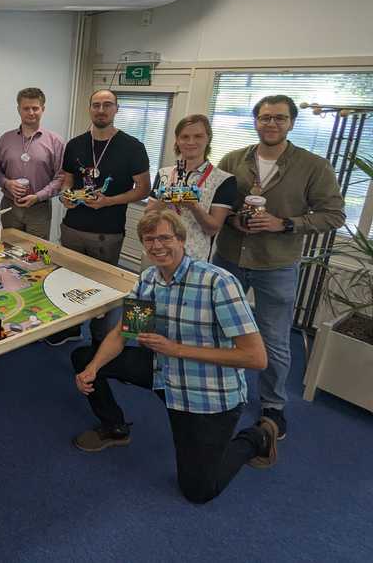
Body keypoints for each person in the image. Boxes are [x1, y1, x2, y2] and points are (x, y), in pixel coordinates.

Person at [70, 209, 279, 504]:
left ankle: (256, 438)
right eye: (149, 239)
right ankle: (115, 428)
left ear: (182, 239)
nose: (157, 246)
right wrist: (92, 368)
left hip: (206, 392)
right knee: (83, 357)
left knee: (199, 491)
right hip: (163, 372)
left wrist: (175, 349)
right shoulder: (150, 279)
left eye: (165, 238)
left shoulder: (217, 282)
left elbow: (256, 358)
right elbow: (124, 333)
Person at [213, 94, 345, 440]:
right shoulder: (232, 159)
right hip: (229, 258)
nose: (271, 123)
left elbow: (334, 215)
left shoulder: (313, 166)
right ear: (255, 120)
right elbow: (218, 203)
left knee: (273, 339)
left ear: (291, 123)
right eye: (265, 117)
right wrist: (232, 222)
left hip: (277, 265)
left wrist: (284, 224)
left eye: (279, 118)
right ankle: (218, 387)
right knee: (219, 327)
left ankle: (273, 405)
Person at [48, 89, 150, 346]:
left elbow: (144, 189)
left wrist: (109, 201)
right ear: (89, 109)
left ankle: (98, 338)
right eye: (96, 105)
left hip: (107, 231)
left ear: (117, 109)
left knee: (102, 289)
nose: (101, 110)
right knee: (67, 280)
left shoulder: (132, 147)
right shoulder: (75, 144)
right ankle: (70, 328)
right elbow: (68, 181)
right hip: (72, 227)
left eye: (107, 105)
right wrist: (65, 197)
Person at [146, 114, 236, 262]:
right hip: (159, 250)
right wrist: (164, 200)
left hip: (193, 258)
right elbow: (148, 215)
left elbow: (212, 228)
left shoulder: (223, 180)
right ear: (177, 140)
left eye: (198, 136)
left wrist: (194, 206)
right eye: (185, 137)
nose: (191, 142)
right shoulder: (164, 173)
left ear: (208, 139)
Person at [0, 87, 65, 240]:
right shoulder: (6, 139)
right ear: (18, 109)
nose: (31, 112)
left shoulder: (55, 141)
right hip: (9, 206)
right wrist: (6, 183)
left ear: (43, 109)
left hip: (39, 208)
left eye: (35, 108)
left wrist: (38, 196)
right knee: (8, 249)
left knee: (36, 254)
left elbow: (61, 178)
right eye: (26, 108)